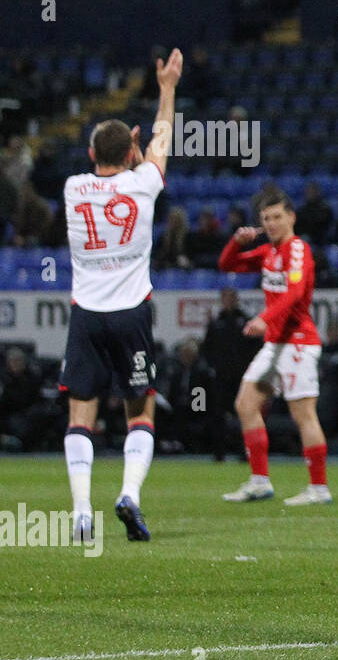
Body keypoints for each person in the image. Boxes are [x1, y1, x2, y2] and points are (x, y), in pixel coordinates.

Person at [59, 47, 182, 543]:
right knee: (140, 411)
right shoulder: (144, 183)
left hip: (85, 314)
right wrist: (167, 87)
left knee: (80, 414)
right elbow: (162, 140)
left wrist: (124, 152)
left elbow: (117, 162)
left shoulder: (71, 189)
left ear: (91, 156)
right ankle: (129, 494)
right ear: (130, 154)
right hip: (131, 314)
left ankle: (81, 510)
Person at [217, 188, 331, 506]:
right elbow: (227, 264)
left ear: (291, 217)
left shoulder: (297, 250)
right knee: (245, 404)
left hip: (297, 344)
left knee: (303, 414)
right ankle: (259, 481)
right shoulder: (269, 253)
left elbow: (294, 294)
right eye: (266, 219)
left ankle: (319, 488)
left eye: (277, 217)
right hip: (275, 345)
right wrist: (237, 242)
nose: (271, 224)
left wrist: (264, 318)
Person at [201, 287, 259, 460]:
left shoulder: (246, 322)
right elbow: (207, 349)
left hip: (242, 377)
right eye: (225, 297)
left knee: (245, 413)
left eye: (231, 297)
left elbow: (255, 347)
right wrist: (213, 368)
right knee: (218, 414)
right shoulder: (216, 322)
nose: (229, 301)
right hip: (221, 377)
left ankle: (245, 451)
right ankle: (219, 452)